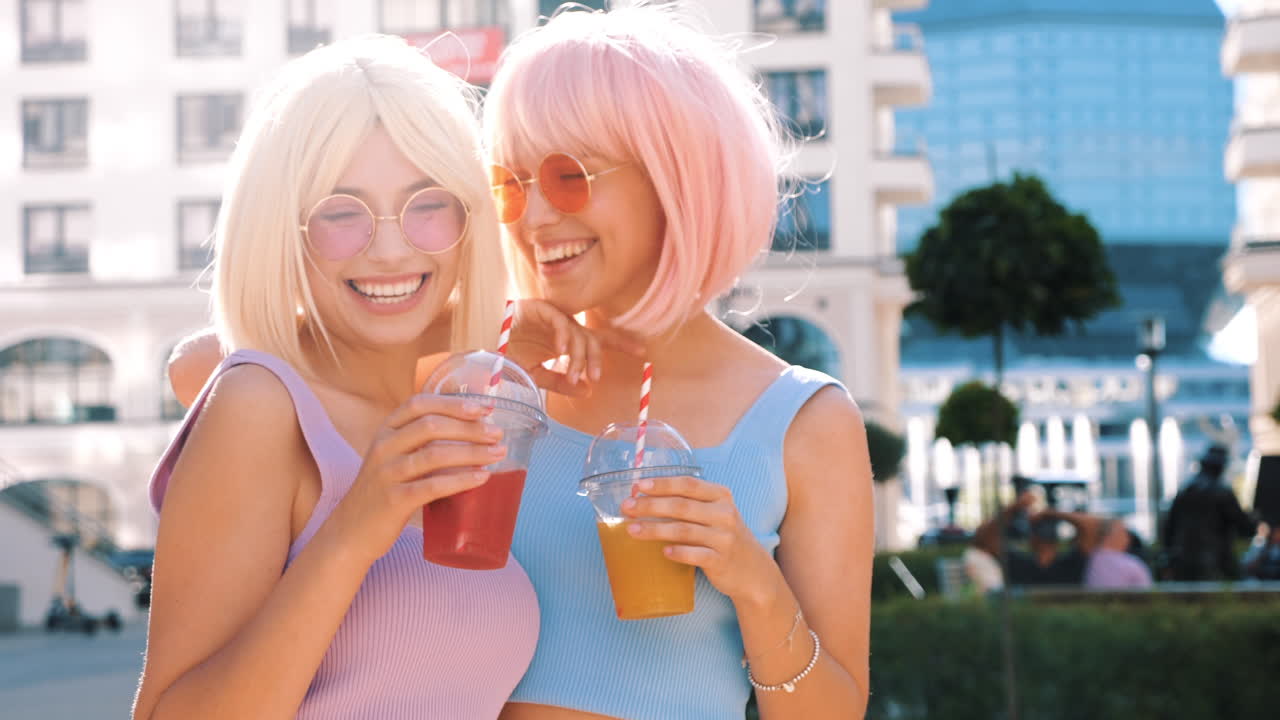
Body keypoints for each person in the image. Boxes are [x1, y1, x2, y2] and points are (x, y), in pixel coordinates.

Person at [133, 36, 609, 720]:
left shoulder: (466, 403)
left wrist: (467, 331)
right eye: (340, 212)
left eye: (427, 204)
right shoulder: (257, 406)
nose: (390, 249)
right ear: (284, 230)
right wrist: (359, 525)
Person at [484, 4, 873, 719]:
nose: (535, 217)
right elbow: (230, 371)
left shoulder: (805, 422)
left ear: (675, 178)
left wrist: (754, 582)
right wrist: (467, 340)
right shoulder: (486, 378)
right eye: (512, 184)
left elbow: (835, 711)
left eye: (569, 176)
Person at [1163, 445, 1258, 581]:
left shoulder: (1184, 492)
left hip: (1183, 563)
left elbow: (1168, 529)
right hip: (1215, 564)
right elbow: (1246, 528)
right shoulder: (1221, 492)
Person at [1083, 518, 1153, 590]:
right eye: (1125, 533)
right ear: (1114, 535)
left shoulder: (1090, 558)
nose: (1128, 539)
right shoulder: (1131, 564)